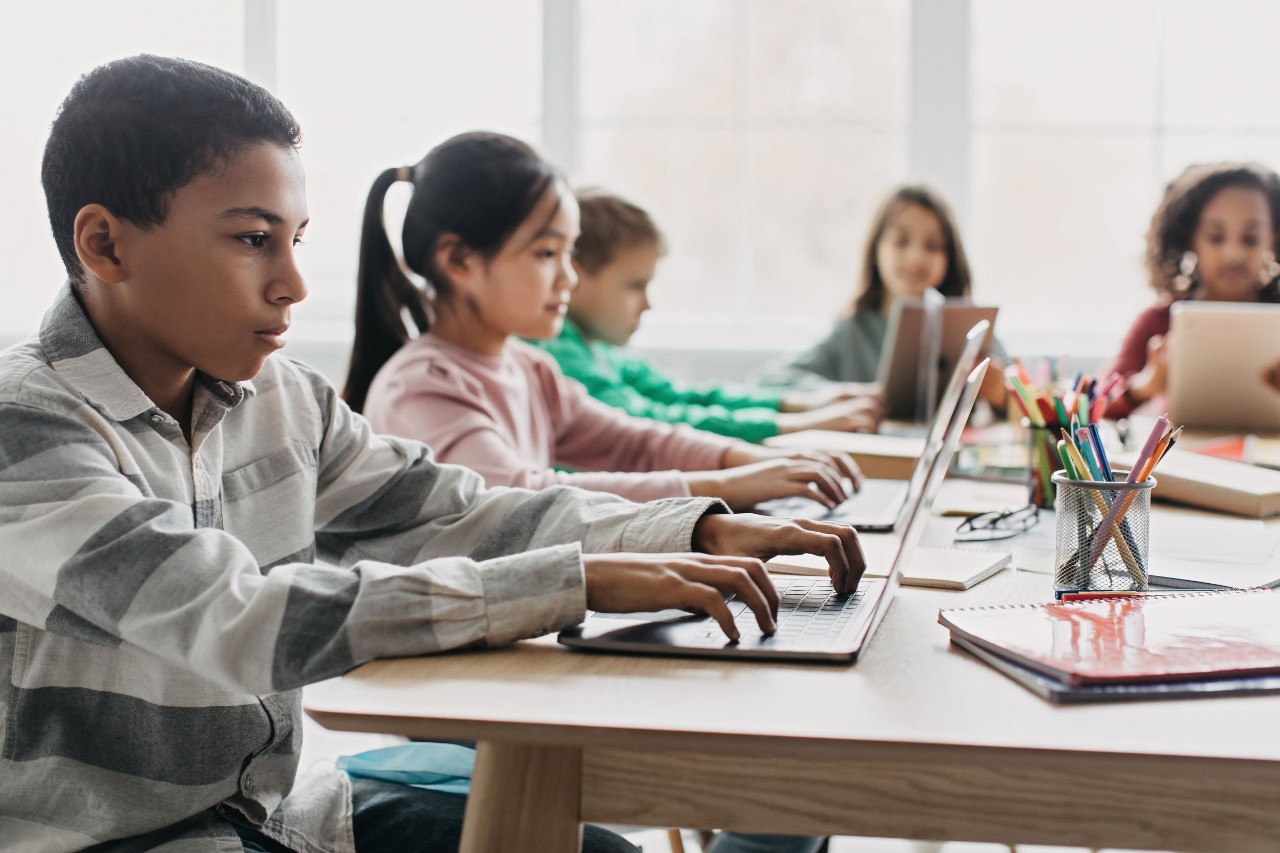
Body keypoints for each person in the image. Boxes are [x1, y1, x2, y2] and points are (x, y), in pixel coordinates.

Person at [1, 54, 867, 852]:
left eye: (295, 240)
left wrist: (686, 530)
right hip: (123, 844)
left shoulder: (284, 397)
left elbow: (454, 509)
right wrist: (573, 578)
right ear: (105, 244)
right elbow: (237, 620)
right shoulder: (24, 426)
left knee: (588, 840)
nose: (295, 285)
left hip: (282, 817)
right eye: (252, 238)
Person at [347, 133, 865, 514]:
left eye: (569, 252)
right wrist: (731, 486)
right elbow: (525, 496)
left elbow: (637, 443)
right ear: (458, 261)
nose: (569, 277)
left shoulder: (529, 368)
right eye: (547, 253)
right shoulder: (420, 387)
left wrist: (752, 461)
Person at [533, 188, 882, 442]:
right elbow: (648, 422)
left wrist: (804, 404)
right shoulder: (554, 351)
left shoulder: (601, 349)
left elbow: (685, 396)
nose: (647, 304)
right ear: (575, 275)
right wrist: (802, 423)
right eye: (635, 286)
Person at [760, 184, 1007, 410]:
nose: (916, 258)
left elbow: (1022, 392)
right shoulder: (851, 331)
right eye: (901, 242)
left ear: (950, 258)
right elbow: (770, 380)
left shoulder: (970, 327)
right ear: (876, 248)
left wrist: (1000, 394)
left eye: (933, 246)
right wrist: (839, 395)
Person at [1102, 162, 1280, 418]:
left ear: (1273, 238)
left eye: (1250, 238)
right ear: (1190, 238)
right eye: (1216, 237)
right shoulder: (1159, 322)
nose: (1233, 254)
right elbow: (1095, 406)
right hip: (1182, 456)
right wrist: (1147, 385)